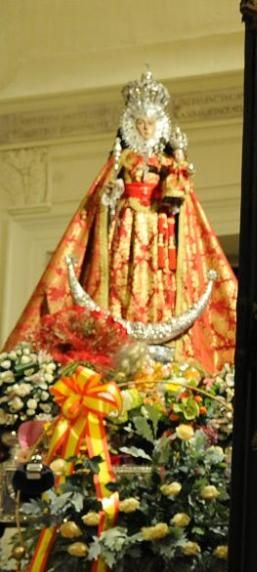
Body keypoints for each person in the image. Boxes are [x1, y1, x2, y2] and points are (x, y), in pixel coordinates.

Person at [2, 69, 237, 373]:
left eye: (150, 123)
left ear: (158, 125)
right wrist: (113, 197)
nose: (145, 128)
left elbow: (180, 199)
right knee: (125, 269)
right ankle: (121, 316)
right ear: (132, 126)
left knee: (159, 273)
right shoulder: (121, 162)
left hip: (159, 229)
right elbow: (102, 204)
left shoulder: (166, 163)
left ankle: (158, 317)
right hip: (127, 226)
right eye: (140, 123)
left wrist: (177, 170)